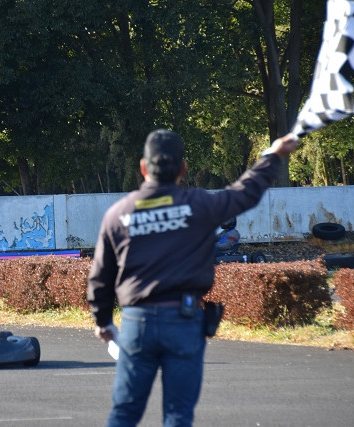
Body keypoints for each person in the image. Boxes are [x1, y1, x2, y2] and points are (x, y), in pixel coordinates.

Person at [87, 129, 299, 427]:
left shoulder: (118, 214)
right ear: (183, 169)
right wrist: (273, 155)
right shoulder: (199, 205)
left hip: (137, 322)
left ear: (143, 168)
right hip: (183, 321)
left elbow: (100, 277)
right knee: (178, 414)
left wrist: (103, 322)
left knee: (124, 412)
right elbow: (246, 192)